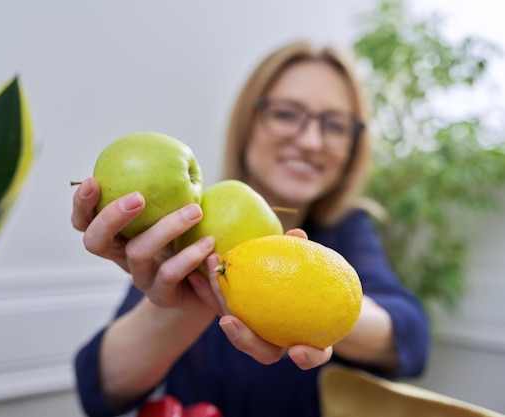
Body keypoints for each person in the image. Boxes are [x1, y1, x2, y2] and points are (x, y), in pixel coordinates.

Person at [71, 41, 430, 417]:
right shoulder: (188, 226)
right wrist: (188, 299)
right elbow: (101, 390)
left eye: (335, 125)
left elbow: (410, 336)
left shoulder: (345, 229)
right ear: (249, 121)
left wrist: (313, 309)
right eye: (287, 114)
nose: (311, 141)